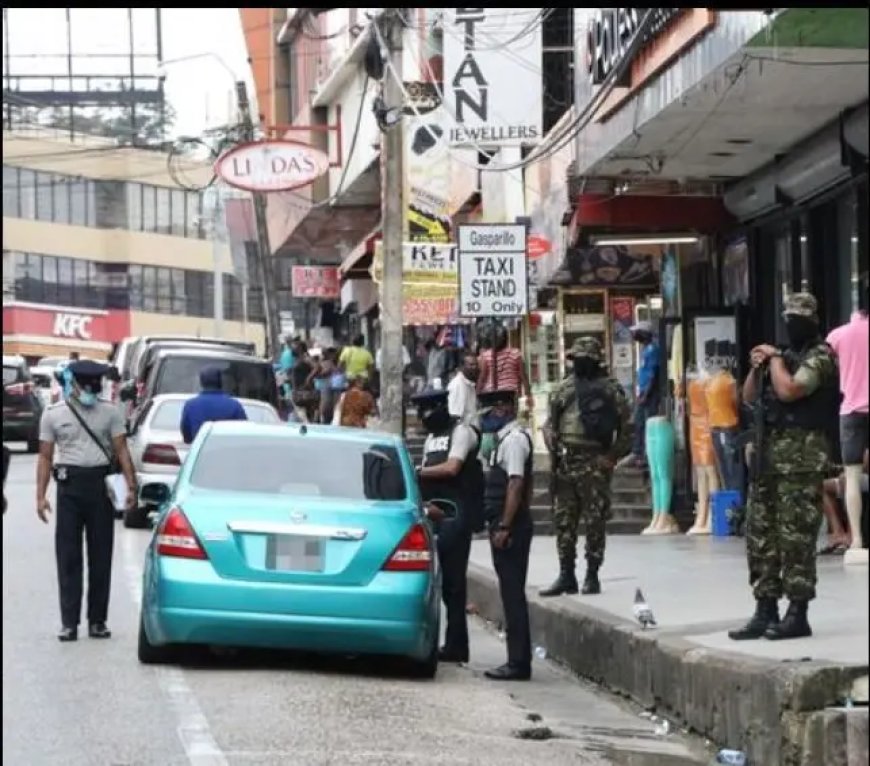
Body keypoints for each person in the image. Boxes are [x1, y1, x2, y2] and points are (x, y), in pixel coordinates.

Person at [729, 292, 840, 642]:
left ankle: (797, 613)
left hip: (800, 464)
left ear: (813, 321)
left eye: (798, 319)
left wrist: (775, 360)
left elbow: (791, 390)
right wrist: (758, 365)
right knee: (760, 538)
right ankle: (765, 609)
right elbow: (747, 397)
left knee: (795, 540)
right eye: (788, 318)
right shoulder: (784, 356)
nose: (791, 324)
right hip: (768, 462)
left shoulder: (820, 356)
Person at [36, 360, 137, 642]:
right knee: (68, 558)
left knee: (100, 556)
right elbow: (45, 456)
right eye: (88, 386)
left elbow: (122, 450)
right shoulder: (54, 414)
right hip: (69, 488)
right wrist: (40, 495)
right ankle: (69, 622)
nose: (92, 390)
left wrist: (131, 486)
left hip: (100, 488)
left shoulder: (110, 412)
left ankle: (97, 621)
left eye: (97, 385)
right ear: (75, 385)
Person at [540, 337, 632, 597]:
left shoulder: (610, 390)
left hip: (595, 461)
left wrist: (612, 456)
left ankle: (592, 574)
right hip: (567, 461)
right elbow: (550, 423)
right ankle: (566, 573)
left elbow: (627, 428)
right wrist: (549, 438)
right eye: (576, 359)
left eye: (584, 359)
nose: (580, 364)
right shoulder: (562, 390)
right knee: (564, 521)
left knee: (595, 521)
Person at [414, 387, 484, 664]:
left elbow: (452, 468)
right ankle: (448, 642)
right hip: (433, 514)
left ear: (442, 407)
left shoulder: (461, 432)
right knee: (441, 584)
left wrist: (418, 472)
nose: (423, 417)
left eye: (427, 410)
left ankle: (458, 646)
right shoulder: (433, 438)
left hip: (455, 515)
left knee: (455, 585)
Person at [479, 388, 534, 681]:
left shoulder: (513, 441)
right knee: (509, 593)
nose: (486, 420)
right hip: (506, 524)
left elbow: (516, 484)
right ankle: (517, 659)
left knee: (513, 596)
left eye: (488, 413)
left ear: (501, 410)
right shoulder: (506, 440)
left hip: (510, 528)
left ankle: (518, 663)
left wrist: (505, 525)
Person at [826, 309, 869, 558]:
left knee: (851, 476)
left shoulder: (837, 335)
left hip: (851, 410)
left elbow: (827, 366)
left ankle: (857, 541)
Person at [618, 320, 660, 469]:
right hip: (643, 392)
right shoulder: (645, 350)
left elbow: (653, 375)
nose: (634, 335)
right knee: (639, 422)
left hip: (649, 394)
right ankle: (638, 453)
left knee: (647, 423)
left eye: (637, 332)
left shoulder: (653, 350)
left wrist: (645, 394)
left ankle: (645, 455)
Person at [180, 367, 247, 445]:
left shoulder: (190, 405)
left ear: (202, 383)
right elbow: (244, 432)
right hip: (228, 452)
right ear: (220, 382)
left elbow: (187, 437)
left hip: (202, 454)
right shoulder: (235, 405)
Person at [477, 322, 533, 409]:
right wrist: (528, 395)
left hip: (490, 394)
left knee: (491, 420)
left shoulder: (486, 356)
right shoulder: (516, 353)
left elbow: (482, 377)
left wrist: (477, 393)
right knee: (510, 420)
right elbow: (523, 376)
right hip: (510, 394)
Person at [447, 350, 480, 426]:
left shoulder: (469, 384)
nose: (475, 367)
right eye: (471, 365)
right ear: (462, 367)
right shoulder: (457, 385)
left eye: (476, 365)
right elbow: (455, 416)